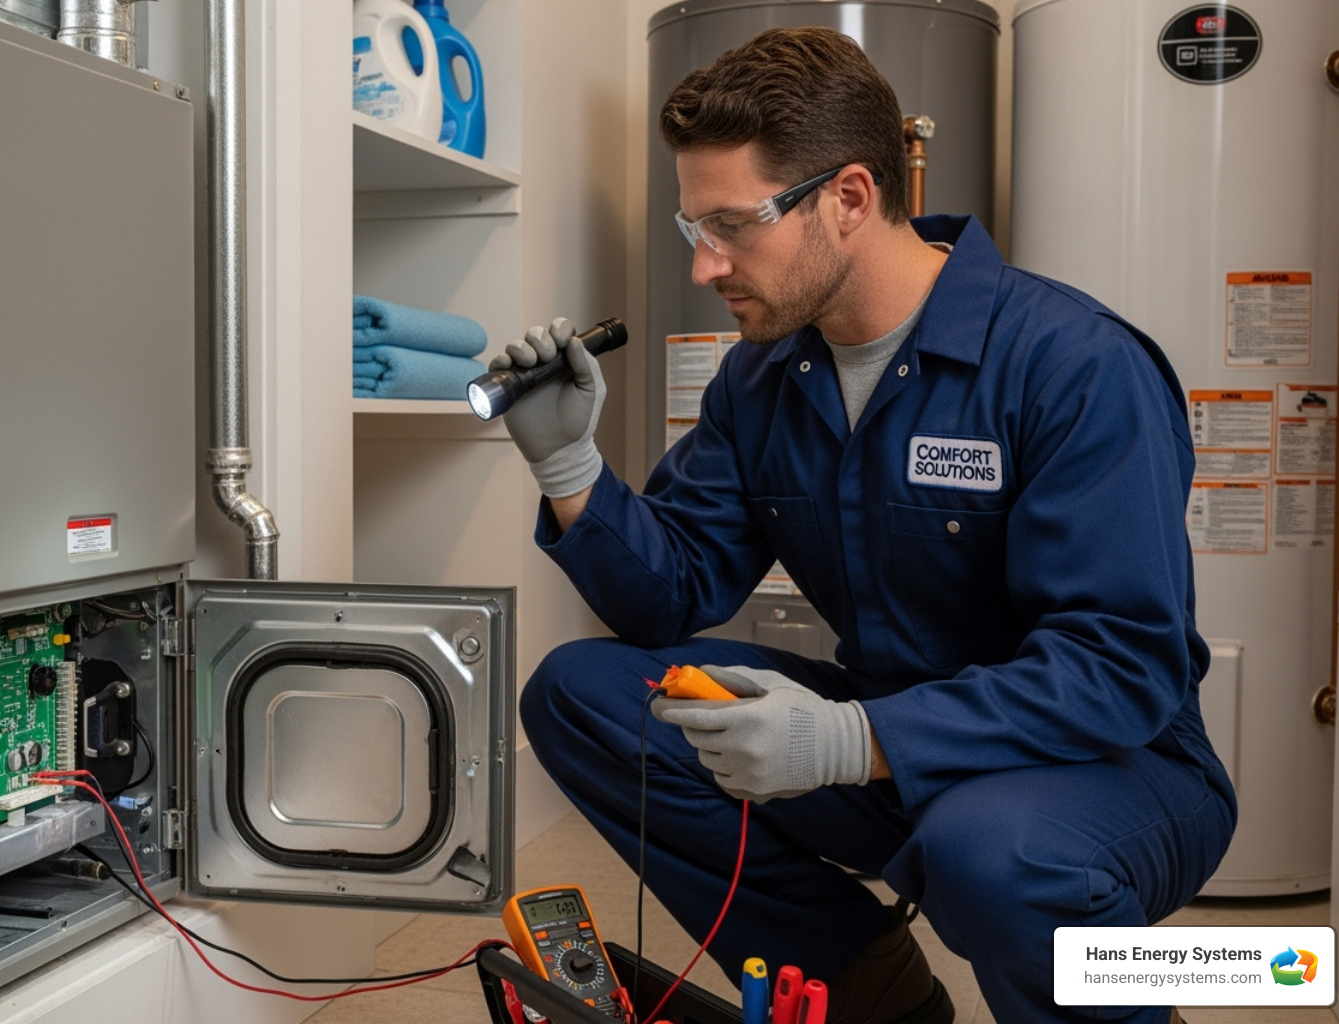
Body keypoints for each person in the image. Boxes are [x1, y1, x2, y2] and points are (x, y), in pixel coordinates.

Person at [492, 26, 1235, 1024]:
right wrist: (571, 468)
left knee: (991, 849)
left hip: (1117, 763)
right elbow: (669, 595)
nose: (707, 266)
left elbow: (1121, 666)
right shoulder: (761, 380)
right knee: (584, 697)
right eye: (692, 230)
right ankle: (873, 1001)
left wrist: (854, 737)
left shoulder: (1072, 364)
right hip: (893, 742)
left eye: (732, 224)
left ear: (848, 197)